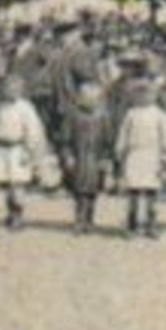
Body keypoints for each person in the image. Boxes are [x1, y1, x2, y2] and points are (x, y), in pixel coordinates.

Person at [0, 75, 48, 230]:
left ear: (21, 90)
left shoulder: (25, 108)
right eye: (8, 89)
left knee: (17, 184)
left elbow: (33, 131)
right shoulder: (0, 107)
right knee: (6, 184)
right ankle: (10, 212)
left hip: (18, 149)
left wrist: (30, 151)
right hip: (1, 149)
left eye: (15, 89)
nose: (11, 92)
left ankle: (18, 214)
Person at [116, 79, 166, 239]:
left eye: (148, 93)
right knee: (133, 191)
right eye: (140, 93)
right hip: (134, 155)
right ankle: (132, 225)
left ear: (154, 95)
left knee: (151, 192)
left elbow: (165, 137)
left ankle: (151, 225)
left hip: (152, 155)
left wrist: (165, 156)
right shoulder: (131, 114)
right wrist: (120, 151)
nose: (144, 97)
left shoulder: (160, 114)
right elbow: (123, 134)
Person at [59, 80, 114, 234]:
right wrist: (68, 156)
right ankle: (79, 218)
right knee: (78, 190)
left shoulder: (103, 116)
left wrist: (106, 158)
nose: (90, 101)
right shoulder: (72, 115)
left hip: (96, 157)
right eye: (86, 97)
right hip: (79, 157)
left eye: (94, 98)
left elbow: (108, 140)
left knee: (93, 190)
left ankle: (89, 218)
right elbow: (65, 139)